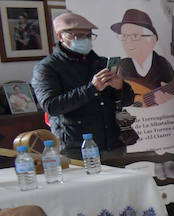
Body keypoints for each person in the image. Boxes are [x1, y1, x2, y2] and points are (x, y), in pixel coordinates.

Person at [31, 12, 135, 158]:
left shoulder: (101, 63)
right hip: (76, 148)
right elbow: (51, 106)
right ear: (61, 37)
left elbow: (128, 100)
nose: (85, 40)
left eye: (88, 35)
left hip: (112, 144)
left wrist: (120, 88)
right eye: (77, 36)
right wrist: (92, 89)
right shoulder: (47, 67)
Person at [111, 8, 174, 108]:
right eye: (124, 36)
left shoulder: (164, 65)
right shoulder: (121, 66)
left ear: (152, 39)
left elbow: (172, 90)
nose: (128, 41)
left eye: (134, 36)